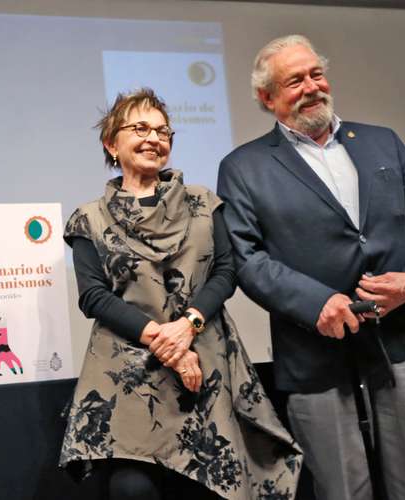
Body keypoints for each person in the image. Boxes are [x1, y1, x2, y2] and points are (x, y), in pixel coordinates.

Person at [217, 35, 405, 500]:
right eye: (295, 81)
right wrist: (317, 302)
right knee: (342, 489)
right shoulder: (243, 167)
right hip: (314, 351)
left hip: (398, 338)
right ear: (268, 99)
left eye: (316, 74)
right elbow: (247, 259)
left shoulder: (383, 142)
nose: (312, 86)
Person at [59, 88, 301, 500]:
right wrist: (164, 340)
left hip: (204, 362)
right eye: (140, 128)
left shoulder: (205, 204)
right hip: (128, 373)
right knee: (133, 490)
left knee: (209, 486)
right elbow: (94, 296)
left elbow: (225, 272)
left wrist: (187, 328)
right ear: (110, 143)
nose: (154, 138)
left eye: (163, 131)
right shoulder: (89, 218)